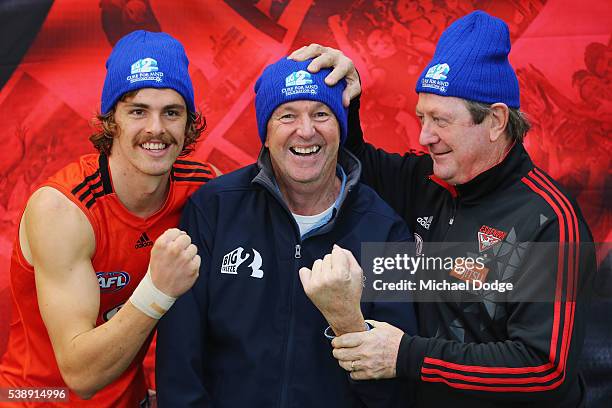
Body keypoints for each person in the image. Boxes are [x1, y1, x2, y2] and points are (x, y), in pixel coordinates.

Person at [291, 10, 596, 407]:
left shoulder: (548, 219)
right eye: (422, 117)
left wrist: (407, 356)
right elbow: (353, 164)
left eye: (440, 120)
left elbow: (544, 369)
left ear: (496, 121)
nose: (424, 136)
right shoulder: (428, 181)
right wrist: (346, 97)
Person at [155, 57, 417, 407]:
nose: (306, 130)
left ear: (341, 127)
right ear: (265, 132)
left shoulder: (387, 229)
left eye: (321, 114)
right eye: (287, 115)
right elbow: (179, 359)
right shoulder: (214, 209)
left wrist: (350, 323)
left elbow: (396, 392)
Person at [0, 30, 218, 407]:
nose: (156, 128)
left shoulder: (202, 189)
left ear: (188, 124)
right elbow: (80, 377)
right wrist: (158, 289)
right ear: (111, 120)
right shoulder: (63, 210)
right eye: (138, 111)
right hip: (37, 398)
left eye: (172, 112)